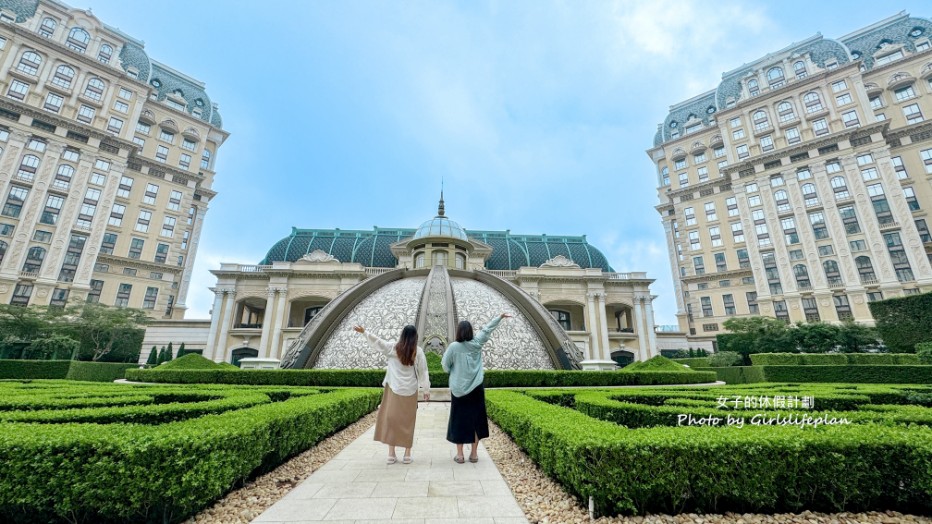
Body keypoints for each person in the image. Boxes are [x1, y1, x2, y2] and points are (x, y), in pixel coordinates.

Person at [354, 324, 430, 464]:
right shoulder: (418, 352)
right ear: (415, 337)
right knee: (408, 422)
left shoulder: (393, 348)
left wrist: (364, 332)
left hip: (394, 389)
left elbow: (377, 342)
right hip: (411, 390)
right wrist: (426, 390)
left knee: (392, 420)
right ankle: (407, 454)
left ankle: (391, 453)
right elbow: (423, 371)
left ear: (402, 336)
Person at [442, 312, 511, 463]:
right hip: (476, 388)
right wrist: (499, 317)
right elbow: (487, 329)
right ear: (471, 332)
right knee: (476, 421)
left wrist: (453, 370)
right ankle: (474, 454)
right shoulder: (477, 343)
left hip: (459, 390)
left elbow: (445, 366)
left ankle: (460, 455)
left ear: (459, 332)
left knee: (458, 420)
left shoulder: (454, 347)